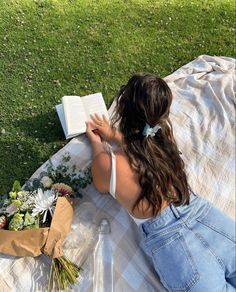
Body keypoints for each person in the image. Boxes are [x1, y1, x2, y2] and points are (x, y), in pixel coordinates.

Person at [85, 73, 236, 292]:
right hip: (205, 217)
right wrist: (116, 136)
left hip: (175, 247)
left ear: (123, 111)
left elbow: (100, 183)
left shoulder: (109, 165)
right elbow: (143, 145)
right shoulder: (164, 138)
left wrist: (97, 143)